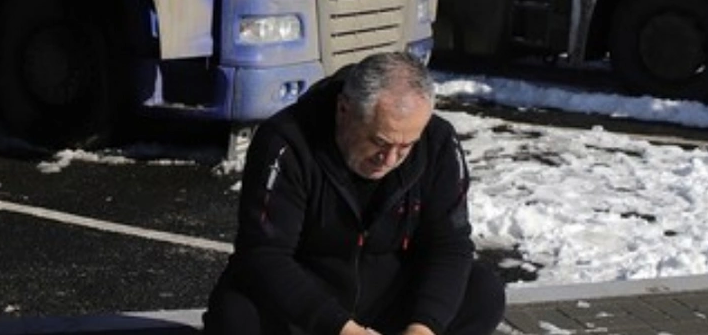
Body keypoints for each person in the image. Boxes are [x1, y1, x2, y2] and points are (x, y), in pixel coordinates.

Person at [204, 52, 505, 335]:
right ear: (344, 110)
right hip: (307, 296)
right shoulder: (286, 142)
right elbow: (264, 254)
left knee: (482, 291)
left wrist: (423, 326)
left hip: (387, 292)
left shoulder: (438, 142)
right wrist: (340, 328)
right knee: (236, 316)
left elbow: (449, 244)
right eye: (379, 141)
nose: (389, 160)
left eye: (406, 147)